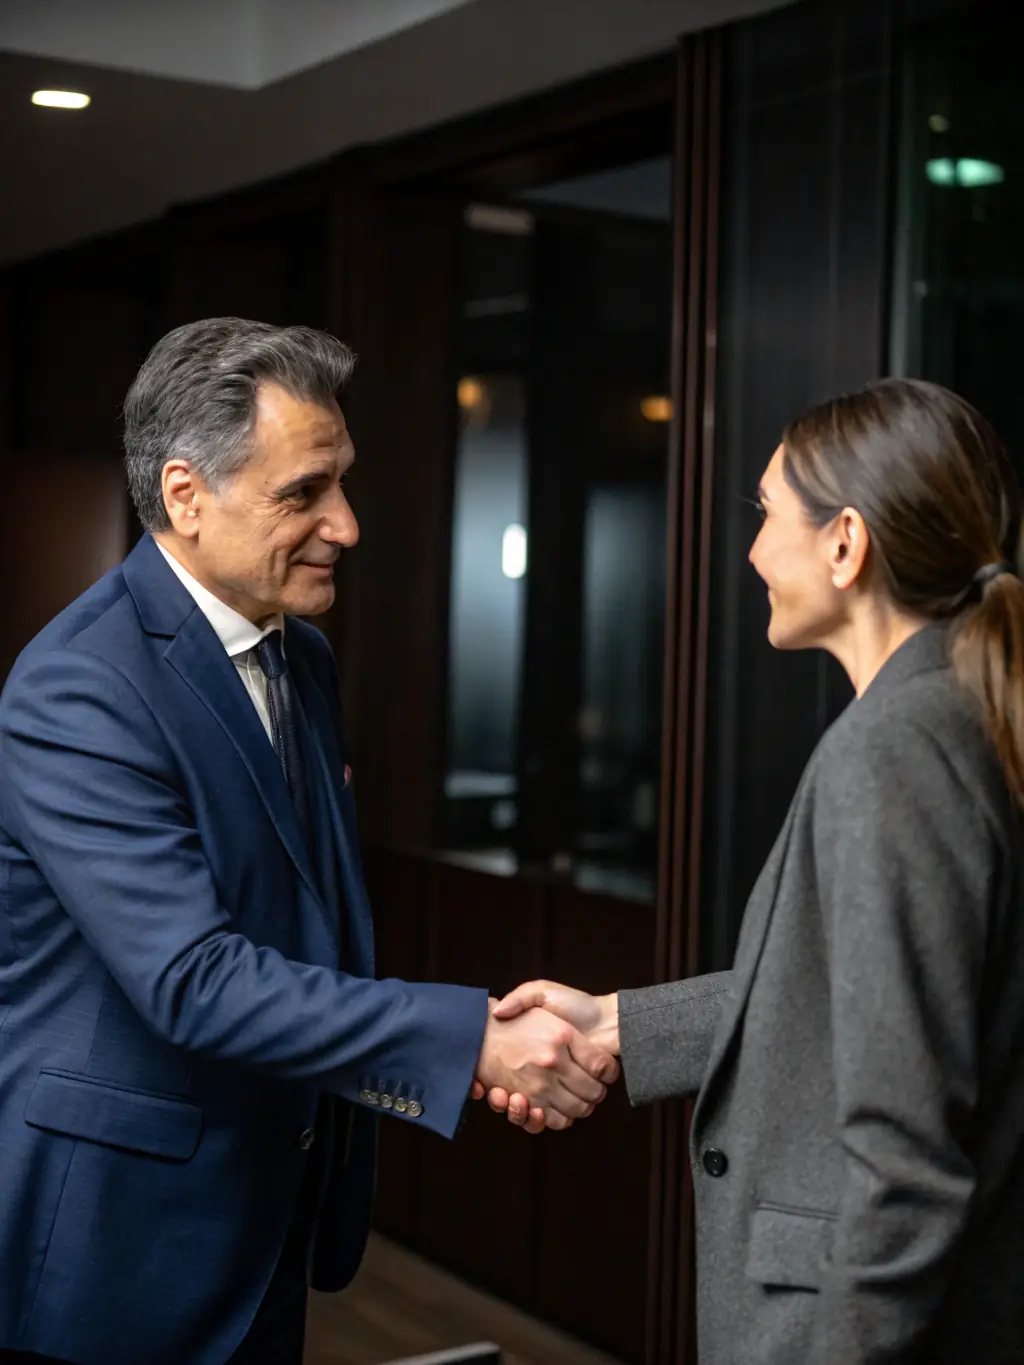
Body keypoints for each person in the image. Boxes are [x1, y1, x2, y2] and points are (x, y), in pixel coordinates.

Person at [0, 318, 617, 1365]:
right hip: (116, 1244)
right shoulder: (80, 688)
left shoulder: (305, 659)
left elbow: (309, 920)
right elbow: (193, 977)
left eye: (342, 482)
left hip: (267, 1213)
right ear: (186, 496)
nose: (347, 524)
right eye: (303, 494)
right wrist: (471, 1042)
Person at [482, 378, 1024, 1363]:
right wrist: (620, 1025)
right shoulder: (966, 716)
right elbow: (887, 994)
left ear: (845, 544)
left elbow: (902, 1169)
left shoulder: (891, 753)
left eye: (768, 514)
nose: (751, 552)